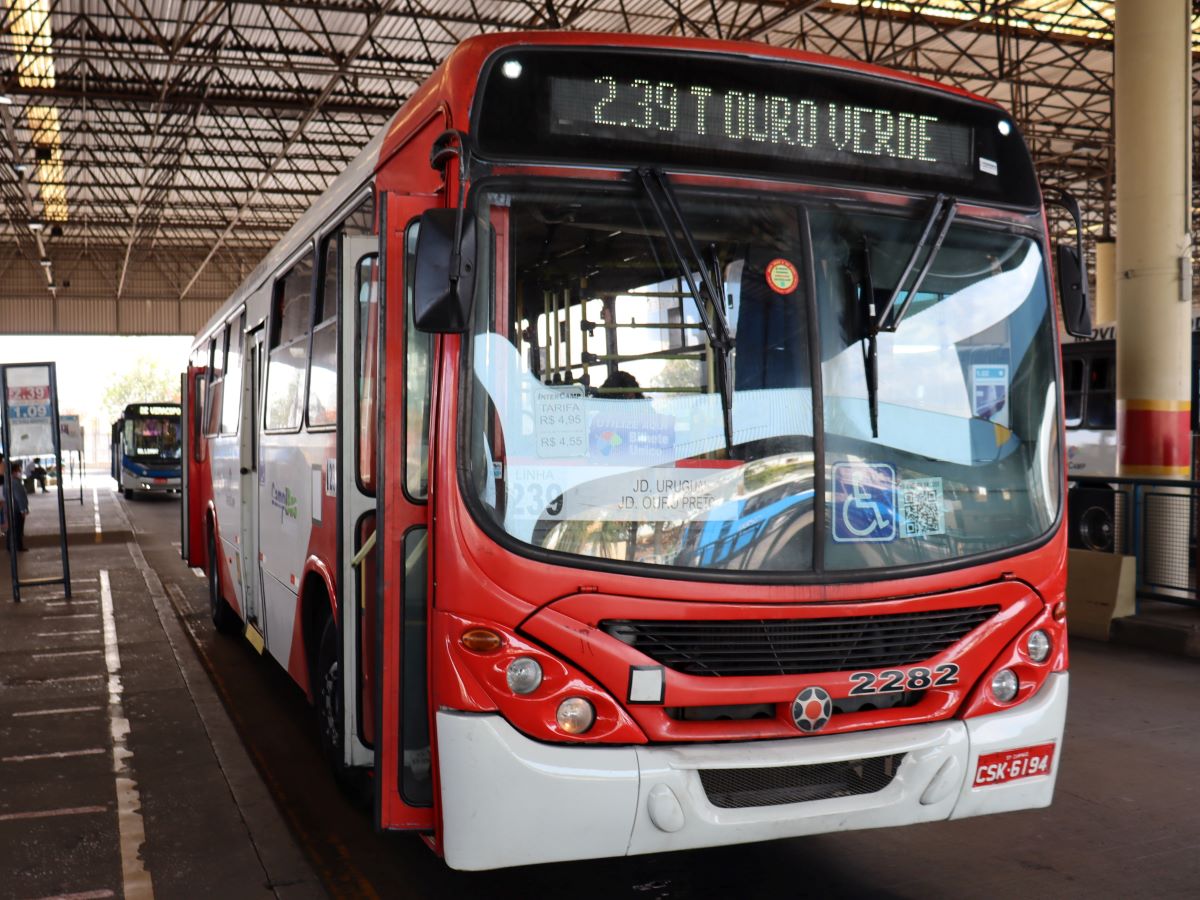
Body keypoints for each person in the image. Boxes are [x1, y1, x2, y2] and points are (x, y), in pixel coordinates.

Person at [5, 460, 28, 551]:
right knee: (18, 528)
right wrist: (23, 509)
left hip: (11, 507)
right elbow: (20, 497)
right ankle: (18, 546)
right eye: (19, 470)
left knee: (12, 528)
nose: (20, 471)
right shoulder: (15, 482)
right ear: (14, 471)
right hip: (17, 508)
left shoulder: (8, 481)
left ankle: (10, 546)